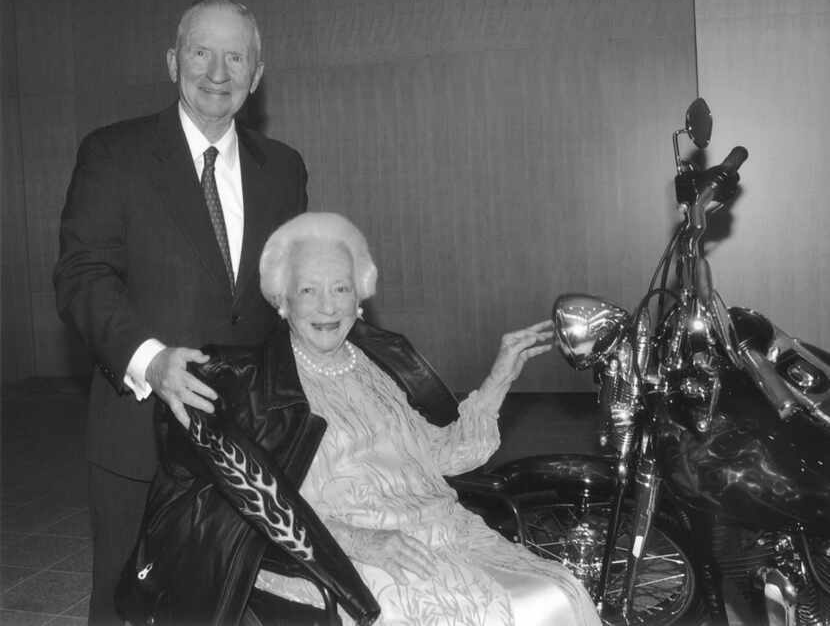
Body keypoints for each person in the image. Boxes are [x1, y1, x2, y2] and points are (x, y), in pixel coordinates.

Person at [117, 212, 601, 625]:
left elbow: (444, 456)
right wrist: (361, 541)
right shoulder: (253, 384)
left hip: (442, 530)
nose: (327, 306)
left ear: (359, 298)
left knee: (559, 593)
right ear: (282, 302)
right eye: (307, 290)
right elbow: (253, 507)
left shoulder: (378, 364)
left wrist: (499, 378)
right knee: (476, 614)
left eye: (340, 289)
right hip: (334, 558)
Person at [53, 0, 308, 625]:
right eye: (201, 51)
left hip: (251, 440)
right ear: (173, 61)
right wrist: (152, 359)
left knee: (235, 602)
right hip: (141, 431)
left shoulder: (285, 168)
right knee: (129, 602)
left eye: (235, 56)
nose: (217, 71)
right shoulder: (113, 154)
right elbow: (82, 276)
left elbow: (292, 291)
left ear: (257, 74)